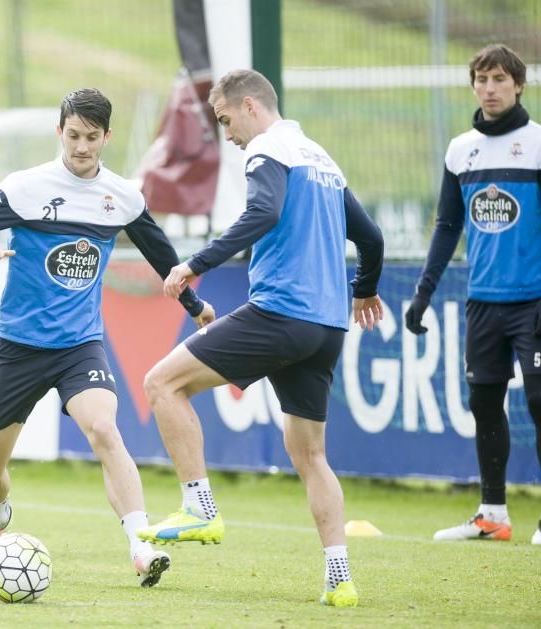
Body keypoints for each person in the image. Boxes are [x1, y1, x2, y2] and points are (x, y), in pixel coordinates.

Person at [136, 69, 385, 608]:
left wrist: (194, 264)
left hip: (280, 313)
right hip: (326, 326)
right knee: (311, 455)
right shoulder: (321, 157)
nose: (227, 133)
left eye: (225, 119)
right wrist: (363, 290)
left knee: (162, 384)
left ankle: (199, 506)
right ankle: (338, 576)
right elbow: (371, 237)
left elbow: (263, 212)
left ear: (250, 106)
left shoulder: (269, 149)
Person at [0, 88, 211, 587]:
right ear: (59, 131)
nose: (82, 146)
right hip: (18, 348)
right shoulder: (26, 188)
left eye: (92, 137)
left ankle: (140, 545)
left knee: (105, 430)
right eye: (73, 135)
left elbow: (162, 258)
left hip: (78, 345)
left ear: (107, 136)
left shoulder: (123, 197)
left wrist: (194, 305)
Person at [404, 44, 541, 546]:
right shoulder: (460, 150)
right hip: (483, 302)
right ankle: (493, 514)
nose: (489, 88)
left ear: (519, 85)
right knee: (484, 401)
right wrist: (422, 293)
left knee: (540, 399)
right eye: (481, 79)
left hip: (534, 300)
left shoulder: (538, 144)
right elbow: (446, 226)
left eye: (499, 79)